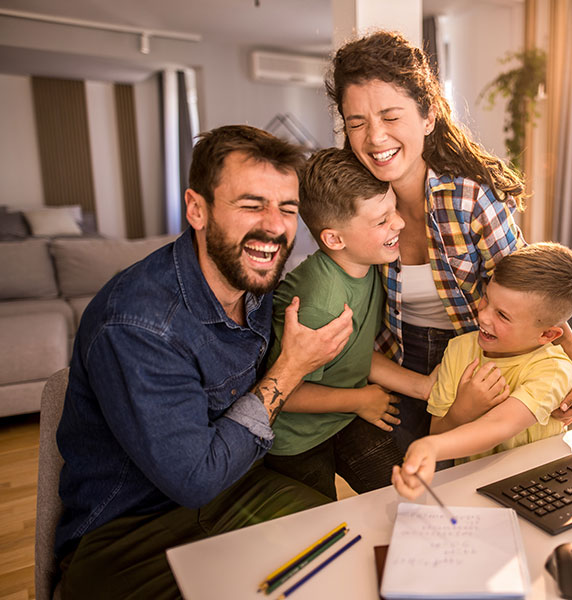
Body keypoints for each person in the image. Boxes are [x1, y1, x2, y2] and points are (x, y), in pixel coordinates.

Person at [54, 125, 354, 599]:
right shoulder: (138, 323)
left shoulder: (253, 278)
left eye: (288, 209)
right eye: (252, 205)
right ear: (197, 209)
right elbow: (195, 480)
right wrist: (291, 367)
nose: (275, 226)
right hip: (129, 536)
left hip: (234, 492)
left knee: (346, 551)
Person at [328, 30, 572, 453]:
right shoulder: (353, 209)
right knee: (415, 490)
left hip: (488, 355)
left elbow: (527, 294)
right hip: (402, 361)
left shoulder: (471, 200)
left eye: (391, 117)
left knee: (532, 465)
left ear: (428, 117)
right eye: (356, 122)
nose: (374, 137)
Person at [264, 147, 434, 499]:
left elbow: (353, 355)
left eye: (394, 210)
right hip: (297, 440)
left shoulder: (372, 264)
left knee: (404, 495)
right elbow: (285, 394)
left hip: (345, 416)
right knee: (319, 526)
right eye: (381, 220)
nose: (399, 223)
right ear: (334, 239)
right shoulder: (319, 304)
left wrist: (422, 387)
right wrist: (358, 400)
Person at [391, 243, 572, 498]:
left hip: (540, 488)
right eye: (486, 299)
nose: (484, 317)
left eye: (503, 316)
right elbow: (438, 431)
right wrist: (460, 412)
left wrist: (430, 446)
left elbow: (501, 423)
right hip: (475, 488)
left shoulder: (554, 370)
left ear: (547, 334)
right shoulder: (459, 349)